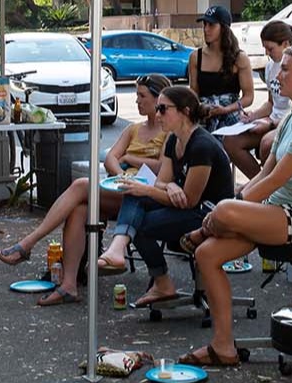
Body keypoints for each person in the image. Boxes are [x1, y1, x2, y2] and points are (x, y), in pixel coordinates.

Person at [172, 44, 292, 367]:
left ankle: (204, 228)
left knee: (222, 211)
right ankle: (223, 346)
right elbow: (264, 173)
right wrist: (240, 203)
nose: (278, 74)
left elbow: (276, 178)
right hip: (277, 209)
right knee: (208, 254)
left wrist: (234, 207)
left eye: (287, 68)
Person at [0, 74, 173, 305]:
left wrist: (130, 158)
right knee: (79, 209)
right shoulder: (134, 129)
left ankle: (28, 244)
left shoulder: (168, 131)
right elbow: (110, 158)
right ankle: (69, 285)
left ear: (158, 99)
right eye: (136, 95)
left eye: (142, 96)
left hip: (146, 196)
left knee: (80, 186)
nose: (137, 100)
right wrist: (120, 175)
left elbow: (163, 166)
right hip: (122, 190)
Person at [95, 85, 235, 307]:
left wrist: (152, 189)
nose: (157, 114)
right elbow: (161, 180)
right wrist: (167, 186)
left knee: (140, 218)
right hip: (186, 207)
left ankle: (161, 280)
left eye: (163, 109)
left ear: (185, 112)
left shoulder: (201, 145)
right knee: (133, 190)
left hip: (209, 215)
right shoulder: (173, 140)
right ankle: (118, 248)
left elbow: (189, 200)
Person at [223, 21, 292, 180]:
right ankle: (260, 183)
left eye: (270, 49)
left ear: (285, 44)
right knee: (230, 141)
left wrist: (270, 124)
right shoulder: (270, 67)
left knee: (267, 143)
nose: (267, 53)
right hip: (272, 119)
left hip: (289, 123)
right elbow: (271, 103)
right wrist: (253, 116)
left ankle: (267, 187)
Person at [188, 6, 255, 132]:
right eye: (205, 24)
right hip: (204, 116)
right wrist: (201, 108)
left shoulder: (239, 58)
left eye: (211, 25)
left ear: (223, 28)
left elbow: (249, 97)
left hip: (231, 116)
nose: (206, 29)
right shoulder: (196, 57)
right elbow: (194, 93)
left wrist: (226, 109)